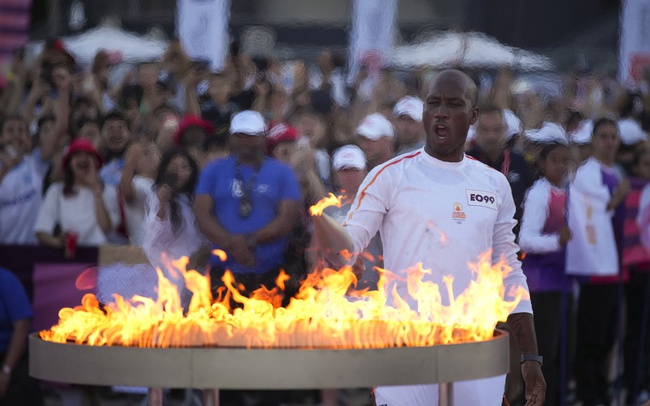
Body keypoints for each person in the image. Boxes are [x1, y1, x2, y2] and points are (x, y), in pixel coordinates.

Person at [315, 69, 545, 405]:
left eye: (453, 105)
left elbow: (509, 271)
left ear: (473, 116)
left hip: (475, 346)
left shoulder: (494, 184)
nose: (441, 112)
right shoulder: (388, 176)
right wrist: (329, 238)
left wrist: (530, 358)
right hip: (402, 345)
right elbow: (349, 248)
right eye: (433, 103)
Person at [193, 110, 301, 299]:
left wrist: (248, 241)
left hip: (272, 269)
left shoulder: (283, 172)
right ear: (231, 138)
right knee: (221, 327)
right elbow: (202, 215)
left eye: (251, 136)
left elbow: (287, 218)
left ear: (263, 137)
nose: (245, 141)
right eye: (239, 136)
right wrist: (234, 245)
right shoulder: (212, 170)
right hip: (223, 269)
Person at [566, 117, 630, 406]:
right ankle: (587, 392)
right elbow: (597, 210)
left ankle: (600, 387)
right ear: (593, 140)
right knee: (591, 334)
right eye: (603, 136)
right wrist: (618, 197)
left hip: (615, 264)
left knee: (608, 335)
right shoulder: (588, 173)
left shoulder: (613, 170)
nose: (608, 141)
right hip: (595, 266)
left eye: (613, 136)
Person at [518, 142, 572, 406]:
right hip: (541, 285)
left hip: (562, 283)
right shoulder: (540, 194)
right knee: (545, 353)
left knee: (562, 351)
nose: (561, 166)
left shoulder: (569, 192)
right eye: (555, 160)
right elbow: (526, 239)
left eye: (565, 160)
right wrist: (556, 242)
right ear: (542, 164)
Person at [34, 138, 120, 248]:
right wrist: (57, 242)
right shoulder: (56, 190)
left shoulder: (109, 191)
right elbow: (41, 231)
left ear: (96, 162)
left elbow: (106, 229)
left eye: (88, 155)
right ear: (69, 163)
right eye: (77, 154)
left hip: (99, 258)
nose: (83, 158)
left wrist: (96, 189)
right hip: (69, 259)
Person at [466, 106, 535, 238]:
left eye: (496, 130)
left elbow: (530, 202)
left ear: (505, 130)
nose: (491, 136)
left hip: (512, 238)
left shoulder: (519, 162)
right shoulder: (465, 163)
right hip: (475, 238)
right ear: (476, 131)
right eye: (485, 130)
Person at [0, 267, 42, 405]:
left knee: (17, 391)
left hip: (12, 354)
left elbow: (22, 326)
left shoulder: (6, 280)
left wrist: (6, 371)